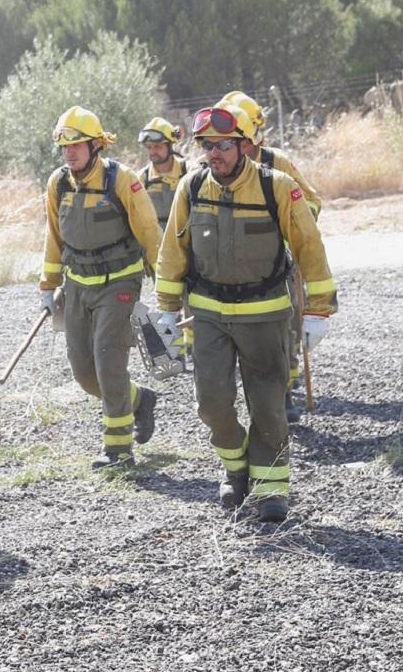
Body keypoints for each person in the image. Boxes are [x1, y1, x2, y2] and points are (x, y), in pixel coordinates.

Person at [154, 105, 336, 523]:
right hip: (208, 316)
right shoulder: (192, 187)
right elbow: (172, 252)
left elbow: (310, 248)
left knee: (269, 404)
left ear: (243, 146)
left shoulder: (278, 187)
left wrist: (317, 312)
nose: (213, 154)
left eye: (222, 145)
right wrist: (165, 310)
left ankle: (270, 488)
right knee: (212, 403)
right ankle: (236, 467)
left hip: (266, 315)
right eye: (206, 146)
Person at [39, 106, 162, 468]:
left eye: (76, 144)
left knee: (109, 362)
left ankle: (118, 451)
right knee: (84, 373)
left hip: (119, 284)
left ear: (96, 145)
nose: (69, 152)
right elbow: (54, 235)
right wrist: (48, 284)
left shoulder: (121, 180)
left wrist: (169, 289)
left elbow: (149, 232)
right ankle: (140, 400)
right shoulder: (57, 183)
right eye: (64, 146)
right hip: (77, 287)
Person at [220, 91, 323, 423]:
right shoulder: (215, 166)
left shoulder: (276, 162)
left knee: (286, 326)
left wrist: (288, 224)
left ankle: (285, 392)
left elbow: (313, 203)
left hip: (279, 261)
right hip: (235, 267)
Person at [136, 118, 187, 229]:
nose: (152, 152)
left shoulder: (189, 173)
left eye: (157, 146)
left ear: (170, 146)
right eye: (149, 147)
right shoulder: (141, 179)